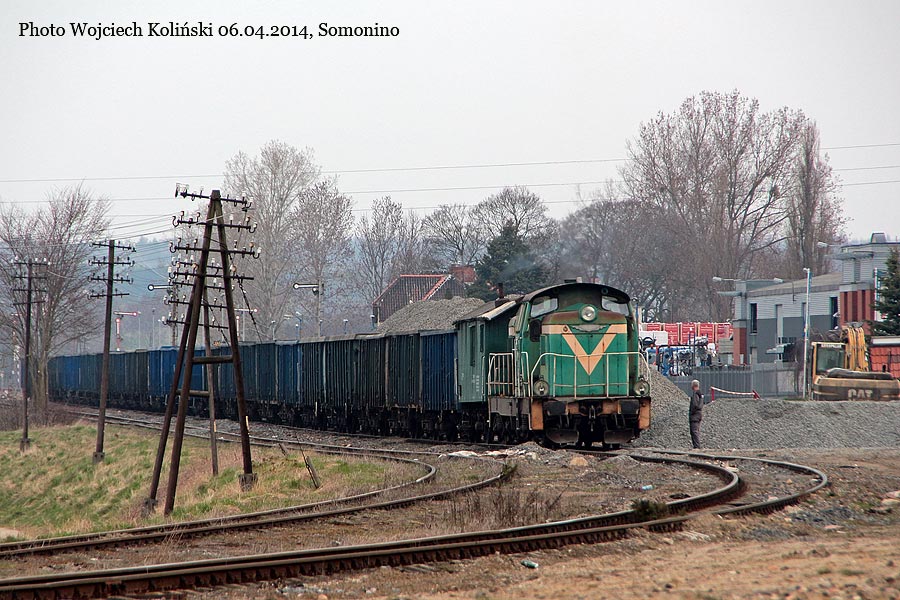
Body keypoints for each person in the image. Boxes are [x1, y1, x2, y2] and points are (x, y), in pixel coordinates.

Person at [689, 379, 704, 449]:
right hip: (699, 414)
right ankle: (697, 446)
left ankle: (697, 447)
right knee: (696, 431)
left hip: (694, 416)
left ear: (693, 386)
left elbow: (694, 405)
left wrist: (692, 412)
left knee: (694, 431)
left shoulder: (695, 394)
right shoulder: (700, 394)